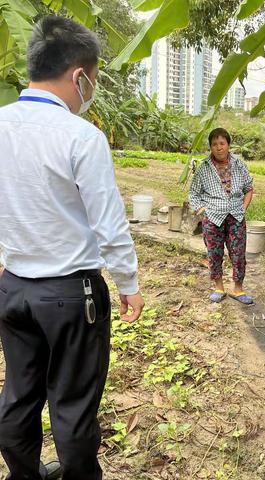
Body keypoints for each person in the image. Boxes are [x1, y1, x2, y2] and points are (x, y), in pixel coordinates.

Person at [0, 16, 144, 480]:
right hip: (70, 294)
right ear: (79, 75)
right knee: (73, 403)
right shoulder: (80, 136)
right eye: (94, 79)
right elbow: (109, 222)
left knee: (19, 394)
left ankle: (24, 474)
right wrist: (128, 282)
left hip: (14, 289)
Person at [189, 128, 254, 304]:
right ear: (210, 147)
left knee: (238, 253)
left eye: (222, 143)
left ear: (228, 145)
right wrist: (203, 210)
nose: (219, 147)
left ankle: (238, 289)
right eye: (215, 144)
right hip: (213, 218)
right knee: (214, 253)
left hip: (236, 216)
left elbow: (249, 188)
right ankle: (219, 287)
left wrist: (243, 207)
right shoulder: (204, 167)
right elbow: (193, 193)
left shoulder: (238, 164)